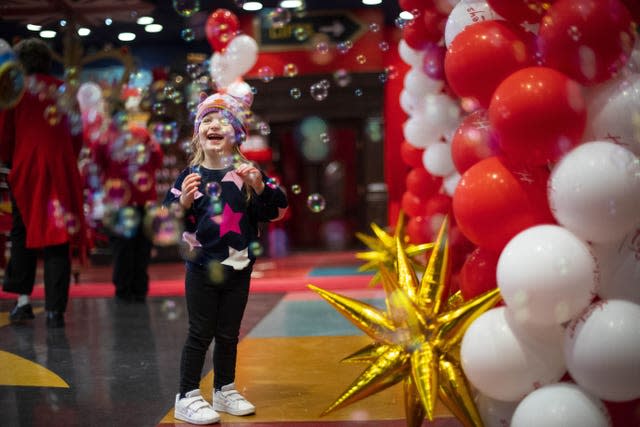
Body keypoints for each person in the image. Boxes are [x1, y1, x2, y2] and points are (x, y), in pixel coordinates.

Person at [164, 92, 288, 425]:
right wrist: (185, 203)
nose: (214, 125)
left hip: (239, 267)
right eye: (207, 120)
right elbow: (168, 221)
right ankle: (187, 396)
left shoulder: (246, 173)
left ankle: (224, 388)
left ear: (235, 134)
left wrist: (261, 186)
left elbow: (276, 208)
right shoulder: (189, 177)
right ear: (197, 133)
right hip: (202, 268)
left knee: (229, 333)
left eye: (223, 121)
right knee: (200, 332)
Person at [0, 38, 86, 328]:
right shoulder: (65, 90)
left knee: (22, 233)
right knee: (58, 239)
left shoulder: (15, 89)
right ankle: (54, 311)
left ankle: (23, 302)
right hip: (60, 169)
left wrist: (9, 162)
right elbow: (77, 135)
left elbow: (5, 135)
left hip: (26, 169)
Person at [88, 102, 164, 303]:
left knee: (122, 249)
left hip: (117, 203)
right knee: (142, 248)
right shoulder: (143, 134)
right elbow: (157, 160)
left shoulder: (103, 139)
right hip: (145, 200)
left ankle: (123, 291)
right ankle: (139, 290)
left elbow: (95, 168)